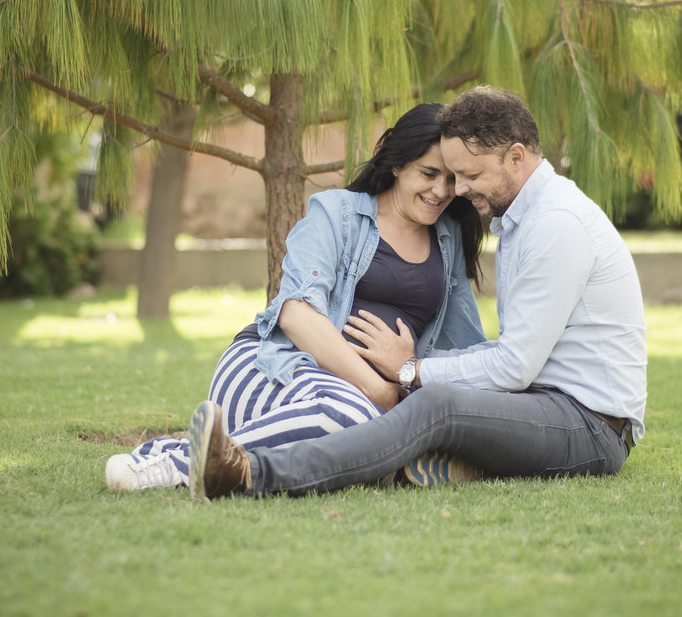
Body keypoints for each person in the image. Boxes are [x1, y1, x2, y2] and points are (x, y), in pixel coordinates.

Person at [189, 85, 647, 500]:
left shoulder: (554, 224)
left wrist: (409, 370)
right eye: (451, 174)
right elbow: (499, 357)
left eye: (468, 175)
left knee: (436, 404)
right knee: (434, 403)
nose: (459, 191)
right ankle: (438, 466)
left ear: (516, 157)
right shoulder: (523, 222)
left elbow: (511, 366)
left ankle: (250, 474)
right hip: (541, 404)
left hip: (588, 425)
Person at [105, 102, 487, 491]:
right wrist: (381, 391)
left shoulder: (448, 238)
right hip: (275, 367)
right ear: (397, 164)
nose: (441, 191)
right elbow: (296, 314)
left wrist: (410, 369)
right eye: (429, 173)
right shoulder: (337, 213)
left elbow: (468, 344)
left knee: (373, 429)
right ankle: (176, 465)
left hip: (362, 399)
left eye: (451, 179)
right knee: (355, 418)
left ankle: (198, 452)